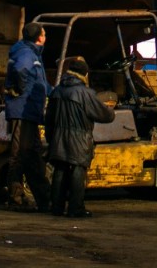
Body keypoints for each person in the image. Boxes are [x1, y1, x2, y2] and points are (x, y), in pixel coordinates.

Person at [45, 55, 116, 218]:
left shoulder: (57, 91)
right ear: (84, 75)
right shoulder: (85, 93)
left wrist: (51, 139)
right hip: (80, 139)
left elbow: (48, 118)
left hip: (59, 137)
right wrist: (110, 110)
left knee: (60, 170)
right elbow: (106, 116)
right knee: (78, 171)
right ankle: (75, 208)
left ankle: (56, 207)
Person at [3, 21, 52, 212]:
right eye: (45, 34)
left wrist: (55, 92)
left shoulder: (31, 53)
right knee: (21, 154)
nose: (46, 37)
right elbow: (21, 70)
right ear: (39, 37)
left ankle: (42, 198)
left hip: (28, 111)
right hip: (23, 111)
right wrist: (23, 90)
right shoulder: (27, 54)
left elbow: (41, 83)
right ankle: (17, 198)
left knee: (31, 154)